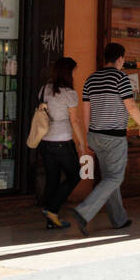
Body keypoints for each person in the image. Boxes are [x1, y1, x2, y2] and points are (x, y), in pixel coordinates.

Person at [66, 42, 140, 236]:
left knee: (109, 178)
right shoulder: (121, 77)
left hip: (95, 135)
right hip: (113, 137)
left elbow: (85, 110)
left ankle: (118, 219)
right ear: (120, 59)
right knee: (115, 177)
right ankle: (83, 211)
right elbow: (130, 106)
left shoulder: (91, 79)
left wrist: (87, 136)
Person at [38, 56, 85, 229]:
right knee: (74, 176)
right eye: (73, 71)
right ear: (68, 72)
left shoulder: (44, 90)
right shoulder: (69, 94)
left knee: (53, 179)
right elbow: (75, 121)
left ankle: (51, 219)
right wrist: (81, 142)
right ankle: (52, 209)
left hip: (45, 142)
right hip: (62, 142)